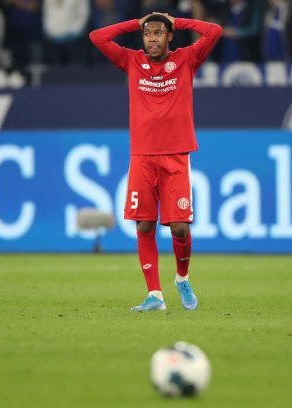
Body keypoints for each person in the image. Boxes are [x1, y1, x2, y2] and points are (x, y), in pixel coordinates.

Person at [89, 12, 222, 312]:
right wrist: (135, 22)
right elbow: (97, 37)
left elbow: (214, 31)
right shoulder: (132, 61)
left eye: (159, 33)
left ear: (169, 36)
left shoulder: (186, 59)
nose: (152, 38)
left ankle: (182, 278)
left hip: (176, 156)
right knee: (145, 224)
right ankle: (155, 295)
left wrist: (177, 20)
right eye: (147, 33)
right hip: (142, 156)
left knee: (179, 228)